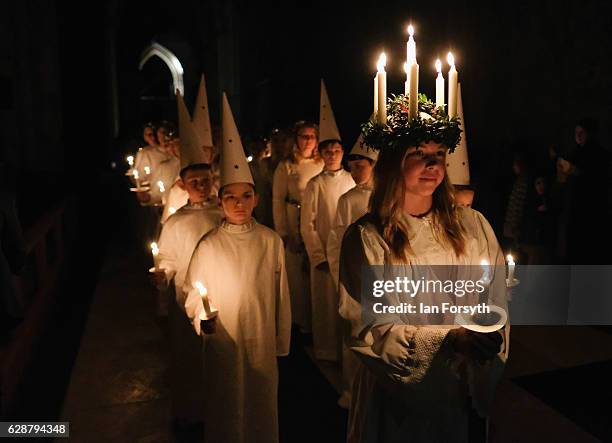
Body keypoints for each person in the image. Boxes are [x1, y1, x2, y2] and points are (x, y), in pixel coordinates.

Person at [339, 94, 509, 443]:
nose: (432, 164)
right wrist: (448, 337)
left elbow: (494, 292)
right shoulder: (369, 237)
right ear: (391, 164)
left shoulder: (472, 224)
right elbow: (371, 327)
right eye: (418, 154)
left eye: (439, 156)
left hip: (458, 386)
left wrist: (486, 335)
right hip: (399, 396)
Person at [183, 93, 291, 443]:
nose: (239, 203)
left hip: (260, 336)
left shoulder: (270, 241)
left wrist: (281, 339)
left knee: (260, 401)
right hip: (224, 338)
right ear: (220, 200)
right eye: (231, 197)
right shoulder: (209, 245)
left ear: (256, 199)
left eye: (246, 196)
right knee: (226, 401)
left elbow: (281, 294)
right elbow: (193, 292)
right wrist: (202, 318)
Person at [152, 92, 222, 432]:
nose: (201, 185)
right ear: (183, 184)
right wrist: (161, 272)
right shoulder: (176, 221)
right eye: (194, 181)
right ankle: (192, 412)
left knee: (219, 359)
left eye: (205, 180)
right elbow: (165, 256)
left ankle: (221, 409)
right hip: (185, 299)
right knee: (189, 358)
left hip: (222, 295)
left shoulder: (224, 214)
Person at [301, 80, 355, 361]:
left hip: (345, 254)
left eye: (336, 150)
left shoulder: (351, 181)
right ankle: (325, 350)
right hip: (323, 254)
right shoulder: (314, 185)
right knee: (324, 304)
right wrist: (318, 254)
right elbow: (307, 223)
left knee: (344, 303)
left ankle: (345, 354)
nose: (332, 154)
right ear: (320, 154)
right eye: (327, 151)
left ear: (343, 152)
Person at [326, 134, 377, 408]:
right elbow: (337, 240)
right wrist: (341, 277)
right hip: (356, 275)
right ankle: (351, 391)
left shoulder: (388, 196)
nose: (354, 171)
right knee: (355, 335)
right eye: (352, 166)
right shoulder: (348, 200)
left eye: (361, 166)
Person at [272, 121, 323, 333]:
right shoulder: (286, 166)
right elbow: (277, 200)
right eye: (304, 136)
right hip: (294, 219)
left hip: (317, 221)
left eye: (312, 136)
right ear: (296, 139)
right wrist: (284, 232)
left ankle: (318, 322)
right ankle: (299, 322)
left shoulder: (322, 164)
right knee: (297, 275)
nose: (308, 140)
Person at [248, 138, 274, 227]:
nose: (257, 151)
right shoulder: (249, 166)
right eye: (254, 148)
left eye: (259, 148)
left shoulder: (268, 164)